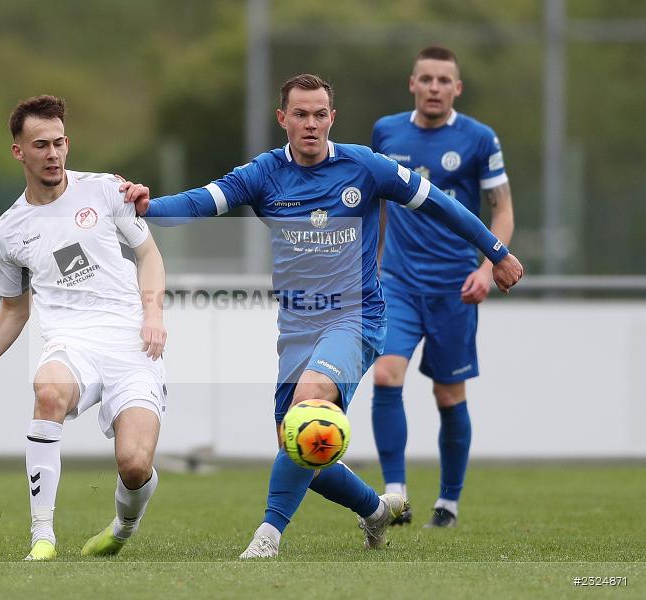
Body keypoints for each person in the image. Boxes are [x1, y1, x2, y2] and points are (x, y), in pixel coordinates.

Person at [120, 74, 522, 558]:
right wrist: (145, 206)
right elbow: (201, 202)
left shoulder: (366, 167)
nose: (310, 124)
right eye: (300, 114)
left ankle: (266, 537)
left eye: (319, 114)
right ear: (282, 118)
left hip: (358, 317)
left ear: (332, 117)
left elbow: (439, 205)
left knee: (309, 402)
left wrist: (495, 252)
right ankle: (375, 509)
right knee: (296, 441)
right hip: (297, 326)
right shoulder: (264, 173)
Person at [0, 95, 168, 561]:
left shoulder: (104, 191)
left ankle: (122, 527)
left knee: (135, 465)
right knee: (48, 391)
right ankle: (43, 537)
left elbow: (149, 254)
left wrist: (153, 312)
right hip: (70, 342)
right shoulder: (8, 233)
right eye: (41, 145)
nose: (53, 154)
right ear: (19, 151)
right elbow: (14, 311)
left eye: (59, 143)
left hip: (132, 343)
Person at [369, 47, 515, 529]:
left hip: (456, 286)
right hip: (399, 282)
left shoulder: (478, 138)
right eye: (426, 79)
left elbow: (502, 209)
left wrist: (486, 266)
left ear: (457, 88)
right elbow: (380, 205)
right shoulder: (387, 132)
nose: (434, 87)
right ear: (412, 83)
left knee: (448, 396)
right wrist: (371, 262)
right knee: (387, 375)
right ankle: (395, 495)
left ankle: (448, 504)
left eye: (443, 80)